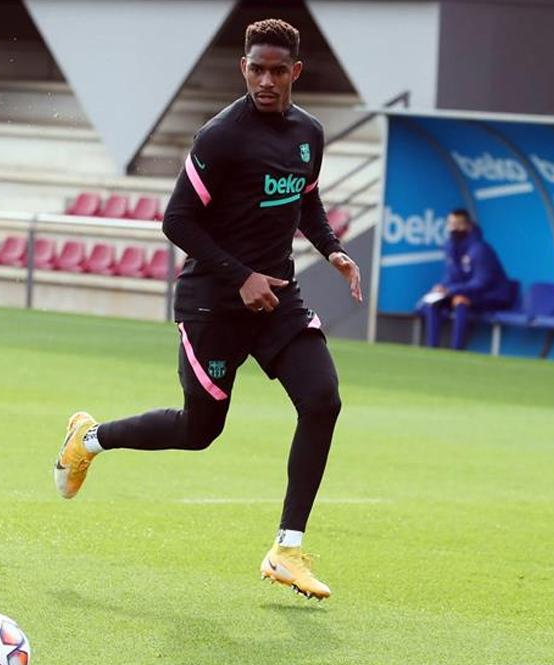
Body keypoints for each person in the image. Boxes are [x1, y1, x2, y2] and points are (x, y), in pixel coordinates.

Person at [53, 18, 362, 600]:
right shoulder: (220, 137)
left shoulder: (309, 134)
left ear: (295, 72)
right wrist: (240, 276)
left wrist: (335, 250)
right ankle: (88, 439)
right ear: (242, 69)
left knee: (323, 399)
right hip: (212, 303)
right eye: (256, 69)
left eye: (278, 70)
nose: (266, 80)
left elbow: (307, 200)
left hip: (275, 297)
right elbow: (177, 220)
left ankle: (286, 549)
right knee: (200, 431)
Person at [422, 209, 515, 350]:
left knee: (460, 302)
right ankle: (431, 347)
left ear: (468, 226)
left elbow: (482, 282)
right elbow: (451, 276)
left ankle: (456, 349)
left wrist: (452, 291)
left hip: (491, 295)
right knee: (434, 303)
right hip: (465, 292)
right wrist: (443, 287)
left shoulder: (480, 249)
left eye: (458, 224)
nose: (454, 228)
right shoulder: (450, 247)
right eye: (451, 224)